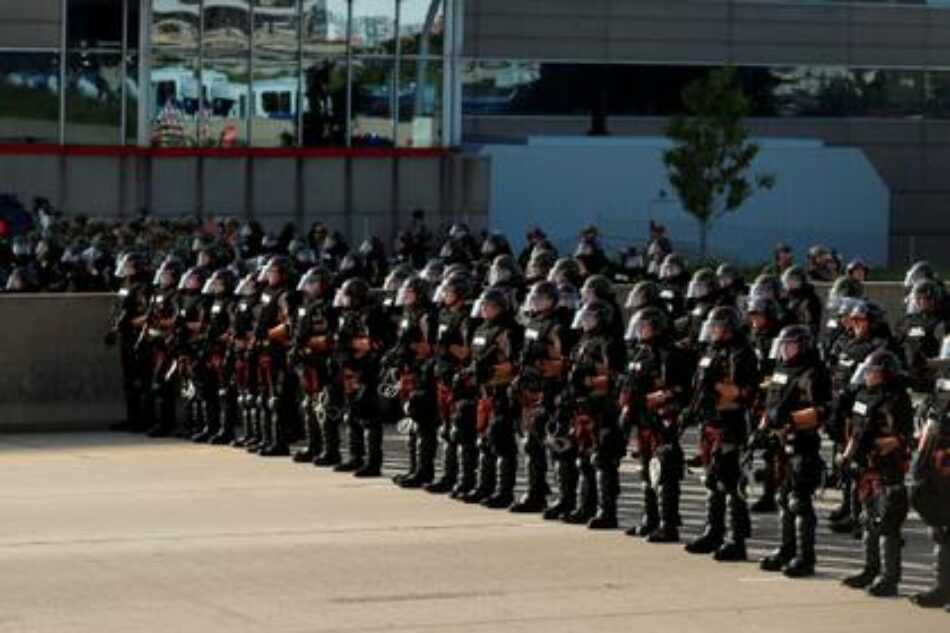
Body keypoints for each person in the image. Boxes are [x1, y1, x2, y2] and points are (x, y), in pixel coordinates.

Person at [754, 325, 831, 578]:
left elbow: (821, 411)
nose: (785, 349)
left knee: (799, 501)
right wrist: (762, 429)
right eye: (783, 344)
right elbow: (770, 405)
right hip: (779, 444)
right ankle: (786, 550)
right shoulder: (780, 370)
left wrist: (791, 420)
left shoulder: (813, 373)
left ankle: (805, 557)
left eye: (791, 345)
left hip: (802, 442)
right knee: (782, 499)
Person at [683, 306, 758, 561]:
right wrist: (691, 409)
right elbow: (699, 387)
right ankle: (713, 532)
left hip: (731, 424)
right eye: (712, 326)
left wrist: (714, 384)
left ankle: (736, 541)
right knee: (712, 480)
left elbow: (743, 393)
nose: (713, 330)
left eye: (718, 326)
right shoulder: (711, 351)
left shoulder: (742, 354)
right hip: (710, 423)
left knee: (731, 482)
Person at [841, 350, 914, 597]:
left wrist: (876, 446)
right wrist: (847, 458)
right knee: (867, 519)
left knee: (887, 522)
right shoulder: (862, 396)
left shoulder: (897, 400)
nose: (869, 376)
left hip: (887, 467)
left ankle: (889, 578)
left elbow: (902, 438)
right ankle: (869, 570)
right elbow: (856, 430)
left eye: (874, 372)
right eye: (867, 371)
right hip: (865, 468)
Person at [620, 307, 690, 541]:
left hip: (662, 421)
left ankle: (668, 524)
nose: (640, 331)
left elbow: (683, 390)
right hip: (642, 422)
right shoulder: (640, 353)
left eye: (645, 326)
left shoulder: (670, 354)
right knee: (645, 471)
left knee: (664, 472)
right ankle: (649, 519)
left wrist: (663, 397)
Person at [556, 300, 626, 529]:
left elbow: (616, 377)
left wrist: (588, 381)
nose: (585, 322)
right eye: (584, 317)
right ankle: (585, 506)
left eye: (590, 318)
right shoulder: (582, 342)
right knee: (583, 460)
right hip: (582, 409)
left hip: (602, 409)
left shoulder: (610, 343)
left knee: (603, 460)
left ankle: (607, 512)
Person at [509, 281, 567, 513]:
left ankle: (563, 497)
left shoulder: (556, 327)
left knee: (554, 446)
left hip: (549, 392)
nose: (535, 301)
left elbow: (563, 362)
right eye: (534, 297)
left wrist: (545, 367)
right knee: (531, 445)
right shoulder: (533, 323)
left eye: (541, 298)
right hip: (529, 391)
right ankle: (536, 492)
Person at [460, 288, 522, 508]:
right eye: (483, 305)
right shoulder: (481, 329)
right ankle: (484, 487)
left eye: (489, 305)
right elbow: (473, 358)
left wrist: (492, 371)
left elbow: (515, 365)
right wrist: (469, 372)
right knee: (484, 442)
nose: (484, 309)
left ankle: (504, 492)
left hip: (502, 392)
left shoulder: (509, 331)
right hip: (483, 394)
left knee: (502, 442)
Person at [426, 271, 476, 496]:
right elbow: (437, 347)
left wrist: (450, 346)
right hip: (443, 378)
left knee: (460, 431)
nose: (445, 294)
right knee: (445, 430)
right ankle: (447, 476)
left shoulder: (466, 318)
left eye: (449, 291)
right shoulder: (443, 315)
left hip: (459, 381)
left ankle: (466, 479)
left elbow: (468, 353)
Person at [387, 275, 439, 489]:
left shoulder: (428, 316)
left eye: (410, 292)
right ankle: (414, 468)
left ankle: (424, 471)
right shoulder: (409, 313)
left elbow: (431, 348)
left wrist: (411, 348)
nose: (406, 296)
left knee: (424, 424)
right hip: (407, 373)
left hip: (423, 374)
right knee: (411, 423)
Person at [910, 343, 950, 609]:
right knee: (941, 529)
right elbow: (925, 424)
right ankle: (942, 588)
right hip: (938, 465)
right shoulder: (939, 394)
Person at [289, 266, 337, 465]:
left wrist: (308, 343)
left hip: (322, 362)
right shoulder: (306, 305)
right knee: (308, 405)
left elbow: (330, 337)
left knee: (324, 406)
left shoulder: (329, 306)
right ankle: (313, 446)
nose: (309, 287)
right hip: (306, 363)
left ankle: (330, 450)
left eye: (314, 283)